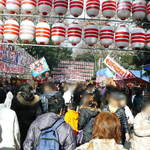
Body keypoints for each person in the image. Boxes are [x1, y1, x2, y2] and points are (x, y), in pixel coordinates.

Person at [11, 83, 41, 148]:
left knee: (21, 142)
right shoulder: (37, 101)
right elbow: (39, 115)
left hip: (20, 126)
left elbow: (13, 114)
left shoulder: (15, 100)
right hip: (33, 126)